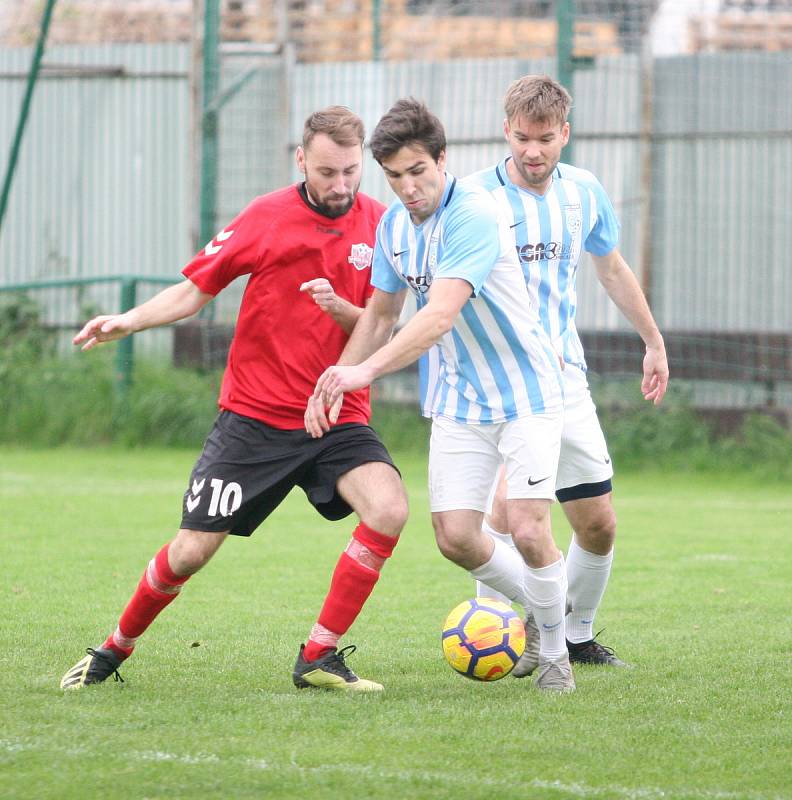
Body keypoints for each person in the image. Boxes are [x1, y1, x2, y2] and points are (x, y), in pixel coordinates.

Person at [60, 106, 408, 694]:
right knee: (191, 552)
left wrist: (339, 333)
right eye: (327, 171)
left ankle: (319, 656)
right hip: (254, 417)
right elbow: (196, 290)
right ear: (301, 160)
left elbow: (383, 325)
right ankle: (112, 649)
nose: (341, 185)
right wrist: (130, 321)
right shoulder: (265, 217)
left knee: (389, 509)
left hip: (334, 412)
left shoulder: (385, 224)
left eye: (351, 171)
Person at [305, 97, 575, 692]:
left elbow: (439, 316)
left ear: (442, 160)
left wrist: (362, 374)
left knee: (529, 530)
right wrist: (334, 379)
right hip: (460, 402)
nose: (407, 188)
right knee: (455, 537)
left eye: (417, 172)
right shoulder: (393, 226)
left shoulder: (474, 215)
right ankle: (544, 609)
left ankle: (554, 652)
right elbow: (379, 317)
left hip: (528, 393)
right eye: (395, 176)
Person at [464, 74, 669, 676]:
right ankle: (498, 636)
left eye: (545, 138)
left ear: (565, 135)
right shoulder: (475, 200)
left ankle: (575, 635)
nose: (533, 150)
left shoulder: (583, 193)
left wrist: (653, 341)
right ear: (506, 131)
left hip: (566, 380)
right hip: (501, 384)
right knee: (508, 510)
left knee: (599, 524)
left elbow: (610, 269)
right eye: (522, 137)